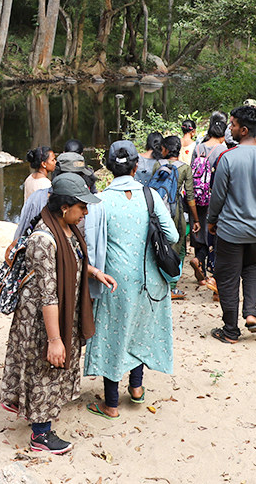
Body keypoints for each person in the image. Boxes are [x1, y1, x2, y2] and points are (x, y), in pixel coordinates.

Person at [0, 174, 116, 455]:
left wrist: (95, 272)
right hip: (42, 318)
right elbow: (48, 294)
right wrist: (54, 338)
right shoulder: (43, 239)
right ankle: (41, 435)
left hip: (59, 311)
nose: (86, 213)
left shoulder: (66, 229)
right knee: (47, 367)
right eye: (82, 207)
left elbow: (71, 261)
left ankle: (33, 413)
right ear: (65, 207)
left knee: (51, 369)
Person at [84, 141, 177, 418]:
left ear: (108, 168)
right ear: (137, 166)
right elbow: (171, 236)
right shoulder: (150, 196)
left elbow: (90, 245)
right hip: (150, 280)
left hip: (115, 280)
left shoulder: (100, 201)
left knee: (114, 334)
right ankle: (136, 389)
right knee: (139, 330)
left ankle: (111, 403)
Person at [206, 106, 256, 344]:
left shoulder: (228, 158)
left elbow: (217, 197)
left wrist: (211, 221)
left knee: (228, 277)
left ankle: (230, 330)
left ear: (243, 130)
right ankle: (251, 314)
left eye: (232, 125)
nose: (229, 129)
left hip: (230, 230)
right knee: (252, 269)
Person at [188, 112, 228, 289]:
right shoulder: (223, 150)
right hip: (213, 197)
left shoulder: (198, 148)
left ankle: (199, 267)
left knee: (199, 230)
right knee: (213, 234)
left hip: (196, 198)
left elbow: (191, 172)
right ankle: (210, 273)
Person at [161, 134, 197, 300]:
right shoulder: (184, 168)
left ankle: (162, 282)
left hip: (159, 209)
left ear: (166, 150)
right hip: (177, 211)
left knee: (160, 244)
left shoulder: (157, 165)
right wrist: (196, 219)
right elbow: (190, 196)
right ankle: (173, 284)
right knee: (180, 247)